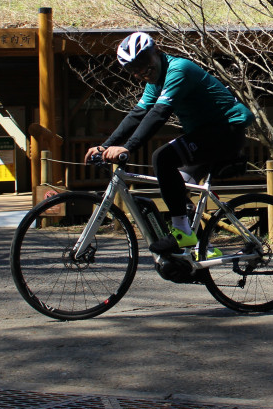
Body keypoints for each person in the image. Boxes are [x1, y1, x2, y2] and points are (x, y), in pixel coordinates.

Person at [86, 32, 255, 251]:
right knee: (177, 189)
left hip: (226, 131)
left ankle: (183, 233)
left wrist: (128, 148)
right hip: (205, 134)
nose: (140, 72)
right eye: (132, 69)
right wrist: (106, 145)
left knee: (162, 158)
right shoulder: (155, 81)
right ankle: (200, 250)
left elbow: (159, 113)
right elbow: (138, 114)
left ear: (157, 51)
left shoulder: (179, 69)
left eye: (143, 63)